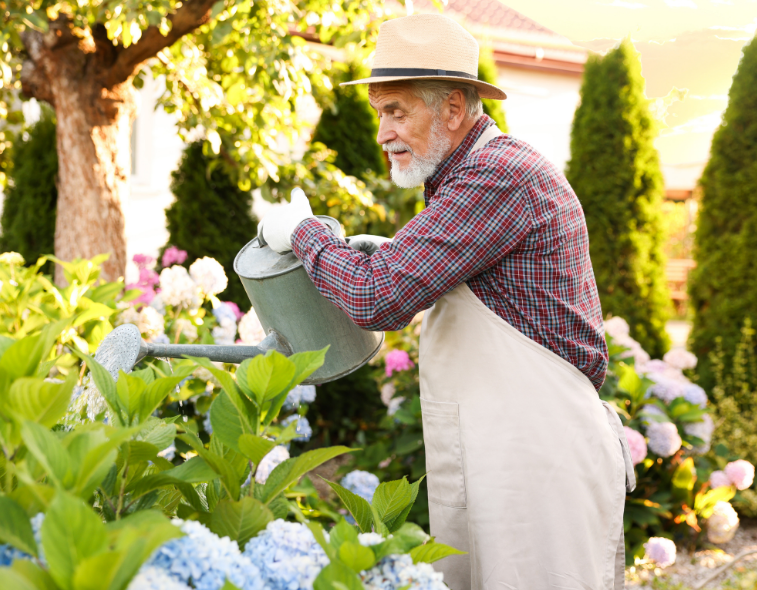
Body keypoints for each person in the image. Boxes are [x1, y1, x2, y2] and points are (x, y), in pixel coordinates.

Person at [259, 12, 635, 590]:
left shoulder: (498, 176)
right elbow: (416, 274)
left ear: (454, 109)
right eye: (379, 111)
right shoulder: (463, 177)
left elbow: (379, 297)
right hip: (502, 446)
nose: (381, 132)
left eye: (397, 111)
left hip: (537, 455)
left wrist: (305, 233)